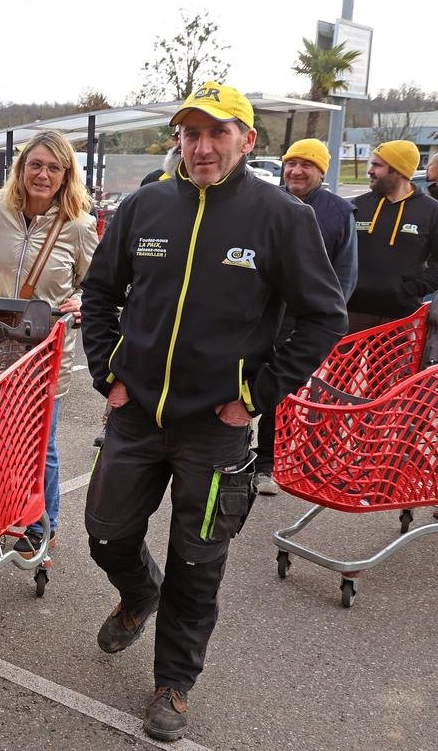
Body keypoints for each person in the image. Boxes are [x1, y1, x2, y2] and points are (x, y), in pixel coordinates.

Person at [80, 82, 346, 742]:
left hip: (216, 429)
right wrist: (107, 375)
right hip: (137, 414)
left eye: (217, 133)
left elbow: (323, 316)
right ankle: (140, 592)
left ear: (247, 140)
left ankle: (173, 682)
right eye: (190, 133)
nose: (201, 147)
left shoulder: (283, 217)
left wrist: (256, 397)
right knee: (105, 532)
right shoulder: (144, 207)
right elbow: (100, 292)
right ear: (178, 138)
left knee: (198, 563)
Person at [0, 129, 98, 561]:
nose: (42, 175)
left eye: (53, 167)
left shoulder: (78, 226)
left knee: (40, 444)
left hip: (47, 354)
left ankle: (42, 526)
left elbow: (99, 284)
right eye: (35, 165)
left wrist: (83, 299)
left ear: (66, 175)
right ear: (21, 168)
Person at [252, 138, 358, 494]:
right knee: (247, 381)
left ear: (322, 171)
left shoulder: (339, 212)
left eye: (307, 165)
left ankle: (267, 463)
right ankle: (238, 454)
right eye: (291, 163)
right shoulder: (265, 203)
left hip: (301, 321)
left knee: (281, 389)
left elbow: (345, 274)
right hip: (261, 315)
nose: (296, 171)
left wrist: (322, 321)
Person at [346, 140, 438, 333]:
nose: (370, 171)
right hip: (351, 312)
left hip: (401, 317)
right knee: (341, 365)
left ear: (398, 171)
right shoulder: (356, 206)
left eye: (377, 165)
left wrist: (408, 290)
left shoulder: (431, 211)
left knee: (397, 366)